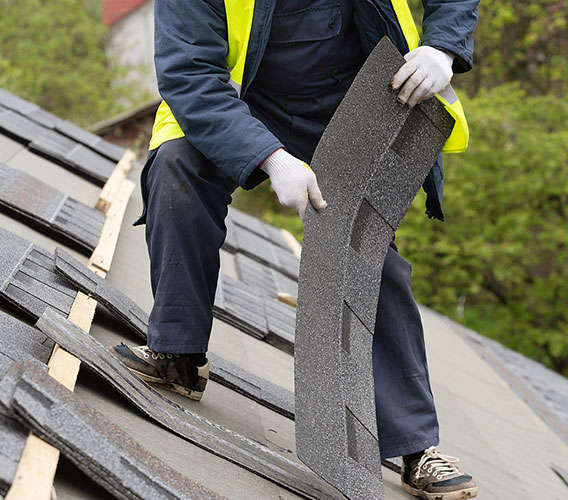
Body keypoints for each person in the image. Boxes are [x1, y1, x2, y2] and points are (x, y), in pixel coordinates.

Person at [109, 1, 480, 498]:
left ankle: (415, 447)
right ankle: (177, 353)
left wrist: (443, 48)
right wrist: (268, 157)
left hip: (354, 108)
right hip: (238, 104)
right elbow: (189, 73)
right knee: (176, 168)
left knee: (369, 258)